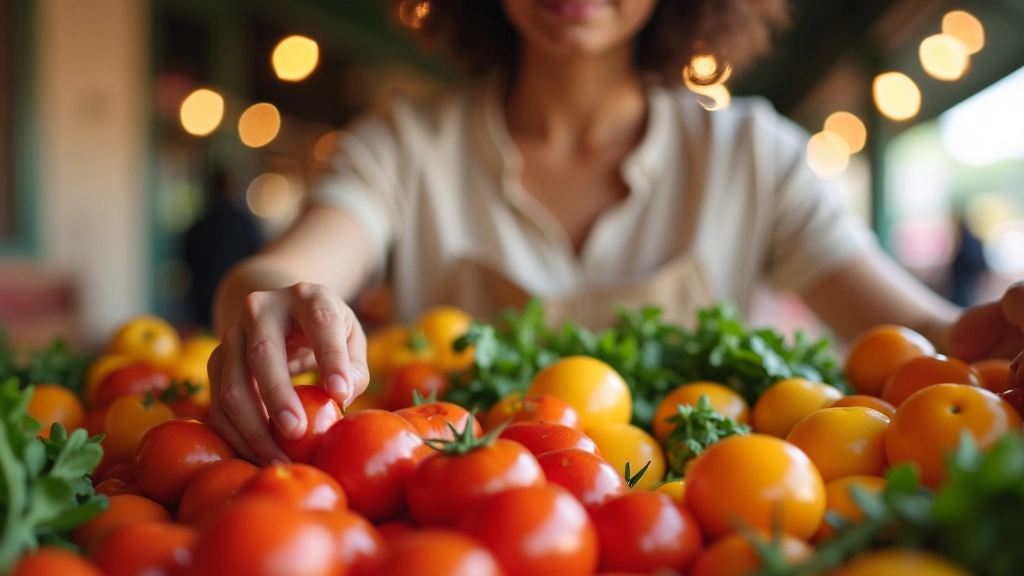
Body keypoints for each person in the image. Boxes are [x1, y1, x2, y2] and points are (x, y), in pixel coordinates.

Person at [207, 0, 1024, 465]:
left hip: (702, 528)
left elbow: (916, 336)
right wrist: (269, 304)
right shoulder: (403, 142)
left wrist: (995, 336)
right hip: (461, 532)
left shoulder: (751, 154)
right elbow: (288, 268)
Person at [182, 168, 264, 328]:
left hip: (203, 291)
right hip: (236, 293)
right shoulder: (244, 223)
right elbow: (257, 257)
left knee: (203, 339)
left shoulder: (199, 224)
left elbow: (187, 257)